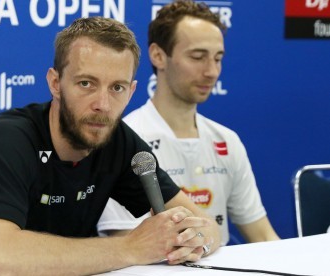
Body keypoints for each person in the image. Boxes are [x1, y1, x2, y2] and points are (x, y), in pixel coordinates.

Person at [0, 16, 221, 275]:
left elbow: (203, 222)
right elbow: (2, 261)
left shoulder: (117, 139)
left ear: (132, 90)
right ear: (55, 83)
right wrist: (131, 247)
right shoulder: (6, 141)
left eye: (117, 88)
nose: (102, 104)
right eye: (86, 83)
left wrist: (199, 239)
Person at [97, 0, 280, 246]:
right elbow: (125, 246)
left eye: (217, 58)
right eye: (198, 57)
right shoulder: (124, 141)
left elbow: (264, 237)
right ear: (158, 55)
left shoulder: (226, 140)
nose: (212, 71)